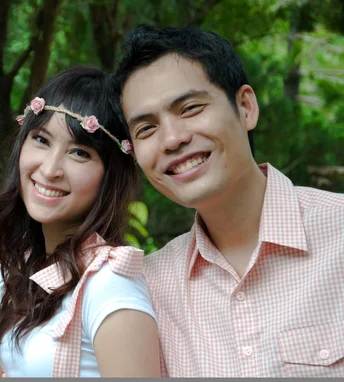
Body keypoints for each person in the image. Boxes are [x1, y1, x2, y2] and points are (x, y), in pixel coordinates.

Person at [113, 24, 344, 377]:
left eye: (189, 108)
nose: (172, 139)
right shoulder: (148, 289)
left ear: (246, 107)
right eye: (146, 129)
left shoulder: (338, 235)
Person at [0, 67, 160, 378]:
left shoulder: (110, 284)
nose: (50, 168)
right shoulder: (16, 268)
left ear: (110, 177)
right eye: (41, 140)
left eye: (79, 152)